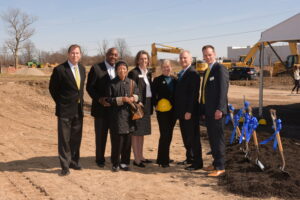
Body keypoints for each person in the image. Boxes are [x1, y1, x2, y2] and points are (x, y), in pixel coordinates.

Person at [49, 44, 86, 176]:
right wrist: (61, 102)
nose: (75, 55)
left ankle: (74, 162)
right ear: (68, 54)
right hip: (65, 110)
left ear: (80, 55)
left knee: (76, 138)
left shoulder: (82, 69)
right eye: (72, 53)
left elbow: (79, 90)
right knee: (64, 139)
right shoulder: (60, 70)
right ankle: (65, 166)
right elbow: (53, 89)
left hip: (78, 109)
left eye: (77, 53)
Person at [86, 48, 119, 167]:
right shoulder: (96, 68)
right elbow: (89, 87)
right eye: (111, 54)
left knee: (115, 136)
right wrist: (99, 99)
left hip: (115, 110)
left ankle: (114, 158)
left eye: (115, 55)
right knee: (101, 136)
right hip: (100, 109)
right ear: (106, 55)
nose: (113, 57)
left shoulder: (118, 69)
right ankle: (100, 159)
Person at [200, 45, 229, 177]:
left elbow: (223, 91)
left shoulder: (220, 69)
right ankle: (215, 163)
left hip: (217, 112)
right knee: (212, 138)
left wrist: (220, 109)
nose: (207, 57)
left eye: (209, 54)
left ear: (215, 54)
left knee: (218, 139)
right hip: (209, 111)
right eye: (205, 55)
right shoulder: (207, 70)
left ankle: (220, 166)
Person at [107, 61, 139, 172]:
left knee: (127, 142)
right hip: (116, 117)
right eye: (120, 69)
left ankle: (125, 163)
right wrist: (122, 99)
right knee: (117, 142)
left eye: (124, 69)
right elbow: (109, 100)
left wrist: (133, 98)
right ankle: (115, 163)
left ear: (127, 70)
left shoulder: (132, 82)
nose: (122, 71)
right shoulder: (112, 83)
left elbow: (138, 95)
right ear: (116, 70)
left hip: (129, 117)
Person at [174, 50, 203, 171]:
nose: (183, 60)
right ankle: (189, 157)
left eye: (185, 58)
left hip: (189, 112)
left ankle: (198, 162)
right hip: (182, 111)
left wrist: (189, 111)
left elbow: (193, 94)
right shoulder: (182, 73)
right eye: (181, 58)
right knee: (186, 136)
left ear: (191, 60)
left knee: (193, 137)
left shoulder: (193, 73)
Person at [128, 50, 153, 168]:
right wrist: (138, 102)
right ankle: (136, 159)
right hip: (137, 106)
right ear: (137, 60)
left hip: (147, 105)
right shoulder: (133, 73)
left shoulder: (148, 73)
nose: (144, 61)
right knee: (136, 132)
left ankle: (141, 155)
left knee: (142, 132)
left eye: (146, 58)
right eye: (141, 59)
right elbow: (131, 90)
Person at [152, 60, 176, 168]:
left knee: (169, 135)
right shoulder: (157, 80)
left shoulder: (175, 80)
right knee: (165, 134)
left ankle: (162, 157)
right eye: (164, 67)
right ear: (161, 68)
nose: (166, 68)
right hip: (162, 112)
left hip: (173, 112)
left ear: (171, 68)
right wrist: (155, 104)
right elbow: (152, 95)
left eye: (168, 67)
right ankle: (164, 160)